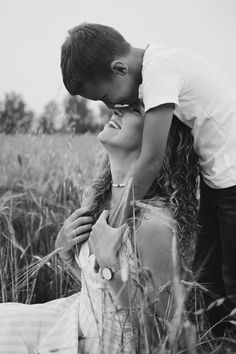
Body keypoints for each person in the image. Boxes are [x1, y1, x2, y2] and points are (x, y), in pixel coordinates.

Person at [60, 22, 236, 334]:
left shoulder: (160, 70)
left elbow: (151, 158)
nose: (112, 107)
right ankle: (212, 340)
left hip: (232, 182)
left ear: (119, 67)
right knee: (209, 277)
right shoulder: (156, 70)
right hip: (218, 180)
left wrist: (111, 227)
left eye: (104, 95)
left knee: (231, 281)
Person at [0, 107, 199, 353]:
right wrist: (64, 254)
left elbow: (166, 334)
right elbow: (98, 294)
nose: (116, 110)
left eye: (134, 110)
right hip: (74, 320)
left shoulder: (153, 223)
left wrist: (110, 266)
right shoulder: (95, 197)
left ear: (157, 138)